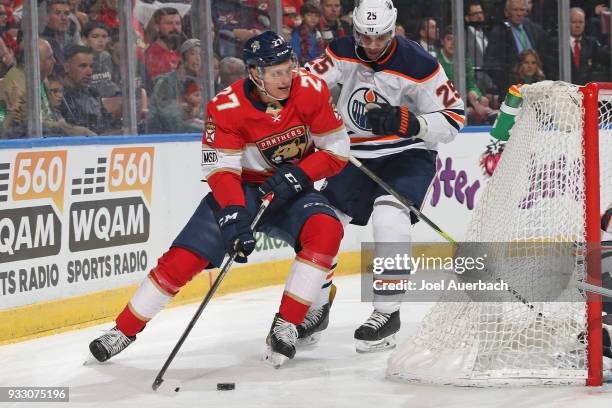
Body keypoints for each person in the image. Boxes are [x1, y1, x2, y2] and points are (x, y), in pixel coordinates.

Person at [87, 31, 350, 367]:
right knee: (183, 259)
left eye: (289, 68)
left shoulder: (311, 89)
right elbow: (221, 170)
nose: (287, 78)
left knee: (327, 230)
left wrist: (301, 173)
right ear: (255, 74)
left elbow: (338, 148)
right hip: (244, 187)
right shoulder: (227, 107)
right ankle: (123, 330)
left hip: (290, 188)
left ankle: (287, 323)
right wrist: (233, 214)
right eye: (276, 73)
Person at [305, 0, 464, 352]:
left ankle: (387, 311)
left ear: (394, 30)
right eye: (365, 37)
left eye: (380, 38)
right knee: (320, 223)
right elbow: (305, 84)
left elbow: (454, 119)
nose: (372, 46)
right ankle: (315, 308)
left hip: (407, 154)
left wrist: (412, 123)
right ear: (354, 30)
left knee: (390, 217)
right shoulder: (342, 50)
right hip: (356, 155)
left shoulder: (420, 63)